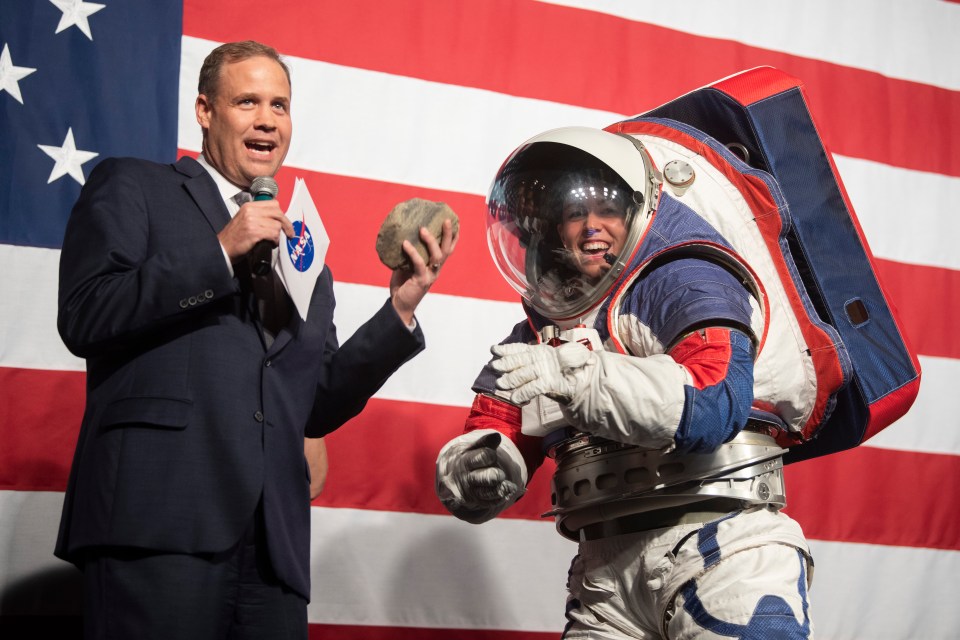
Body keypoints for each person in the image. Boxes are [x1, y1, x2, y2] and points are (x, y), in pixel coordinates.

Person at [54, 40, 456, 639]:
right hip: (158, 523)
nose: (268, 119)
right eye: (247, 101)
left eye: (281, 105)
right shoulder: (134, 186)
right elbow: (85, 316)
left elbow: (313, 403)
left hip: (274, 546)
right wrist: (220, 251)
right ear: (204, 111)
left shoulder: (305, 253)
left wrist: (399, 307)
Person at [436, 126, 813, 638]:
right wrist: (480, 469)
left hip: (720, 547)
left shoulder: (685, 281)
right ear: (550, 230)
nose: (592, 227)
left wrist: (581, 379)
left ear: (637, 213)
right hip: (604, 581)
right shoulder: (540, 330)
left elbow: (713, 403)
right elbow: (496, 427)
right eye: (574, 214)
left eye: (606, 211)